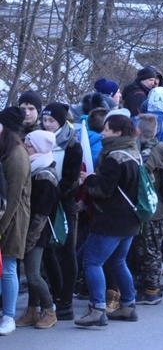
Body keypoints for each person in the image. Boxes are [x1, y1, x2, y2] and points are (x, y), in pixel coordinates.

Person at [75, 114, 142, 327]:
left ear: (118, 133)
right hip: (130, 219)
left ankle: (97, 308)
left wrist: (90, 179)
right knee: (117, 261)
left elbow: (104, 189)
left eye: (106, 130)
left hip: (110, 219)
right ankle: (128, 306)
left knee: (92, 261)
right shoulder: (134, 153)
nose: (102, 133)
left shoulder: (114, 157)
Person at [41, 102, 82, 321]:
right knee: (46, 250)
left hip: (62, 201)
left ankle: (66, 301)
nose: (47, 124)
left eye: (51, 121)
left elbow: (71, 178)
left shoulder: (72, 144)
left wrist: (54, 192)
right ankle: (55, 295)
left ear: (61, 122)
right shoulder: (38, 138)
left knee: (66, 251)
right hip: (43, 201)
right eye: (45, 120)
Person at [133, 114, 163, 305]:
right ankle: (151, 285)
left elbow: (141, 175)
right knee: (152, 247)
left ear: (138, 131)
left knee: (150, 249)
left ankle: (151, 290)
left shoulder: (148, 152)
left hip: (149, 208)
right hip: (159, 205)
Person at [16, 130, 60, 329]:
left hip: (38, 231)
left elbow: (41, 214)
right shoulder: (35, 168)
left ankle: (50, 310)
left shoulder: (44, 176)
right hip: (30, 228)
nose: (25, 146)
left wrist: (30, 239)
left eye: (29, 144)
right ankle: (32, 310)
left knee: (33, 274)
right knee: (33, 271)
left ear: (40, 148)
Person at [0, 107, 31, 336]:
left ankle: (8, 316)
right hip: (5, 216)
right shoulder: (6, 148)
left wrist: (2, 226)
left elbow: (14, 195)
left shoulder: (17, 154)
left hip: (13, 218)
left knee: (9, 267)